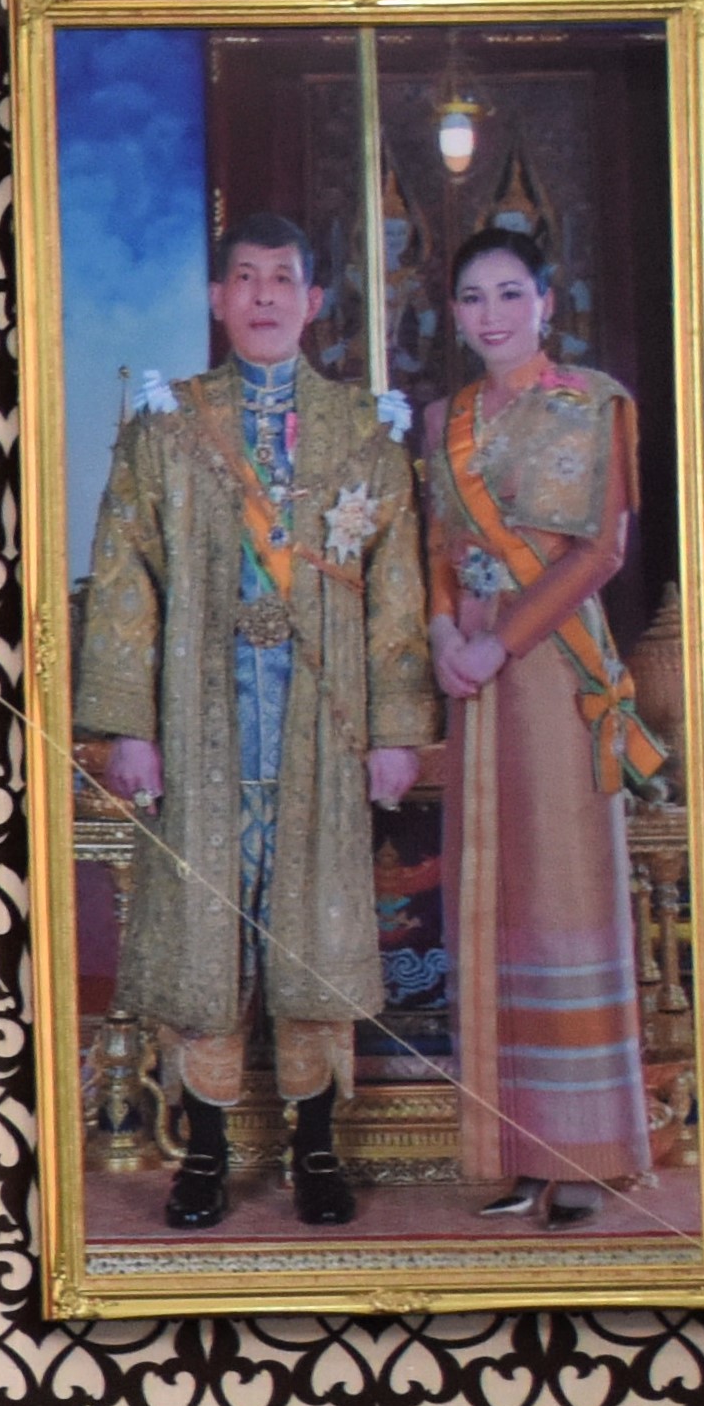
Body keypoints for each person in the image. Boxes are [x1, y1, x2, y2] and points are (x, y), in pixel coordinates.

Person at [78, 205, 429, 1231]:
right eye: (246, 276)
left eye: (283, 277)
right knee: (205, 936)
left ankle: (318, 1148)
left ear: (313, 300)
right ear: (217, 297)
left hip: (323, 725)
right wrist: (129, 725)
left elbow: (398, 590)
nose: (265, 295)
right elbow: (126, 578)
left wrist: (397, 732)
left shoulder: (364, 432)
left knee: (315, 927)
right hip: (203, 724)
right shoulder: (167, 428)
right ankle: (205, 1152)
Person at [424, 223, 651, 1225]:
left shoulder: (595, 403)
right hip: (473, 681)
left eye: (511, 293)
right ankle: (515, 1152)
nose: (493, 315)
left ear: (547, 303)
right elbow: (436, 546)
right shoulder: (445, 420)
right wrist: (444, 632)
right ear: (454, 312)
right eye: (473, 297)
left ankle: (586, 1156)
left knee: (561, 888)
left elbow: (601, 551)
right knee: (493, 897)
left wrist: (499, 642)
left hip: (552, 671)